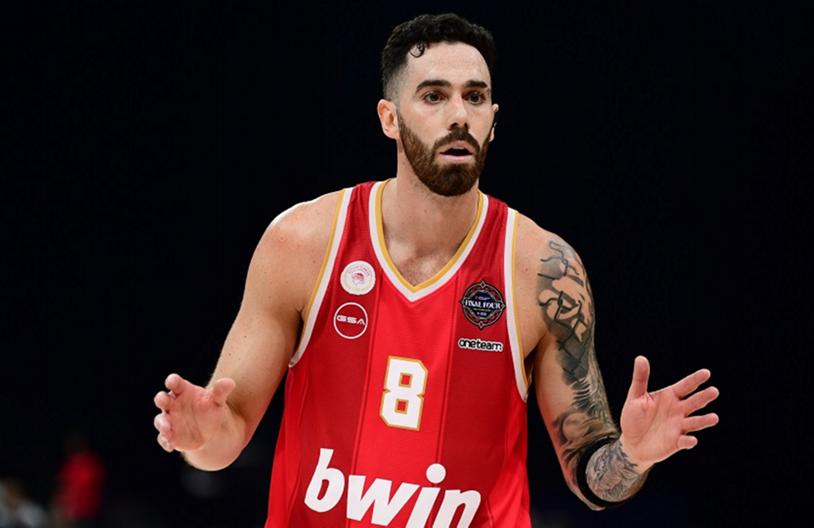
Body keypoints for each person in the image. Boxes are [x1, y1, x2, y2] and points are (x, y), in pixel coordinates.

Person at [152, 13, 720, 527]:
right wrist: (199, 437)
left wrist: (632, 456)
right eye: (433, 96)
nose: (458, 116)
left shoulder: (543, 269)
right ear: (389, 118)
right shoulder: (302, 243)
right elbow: (223, 440)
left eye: (475, 97)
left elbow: (591, 475)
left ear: (493, 120)